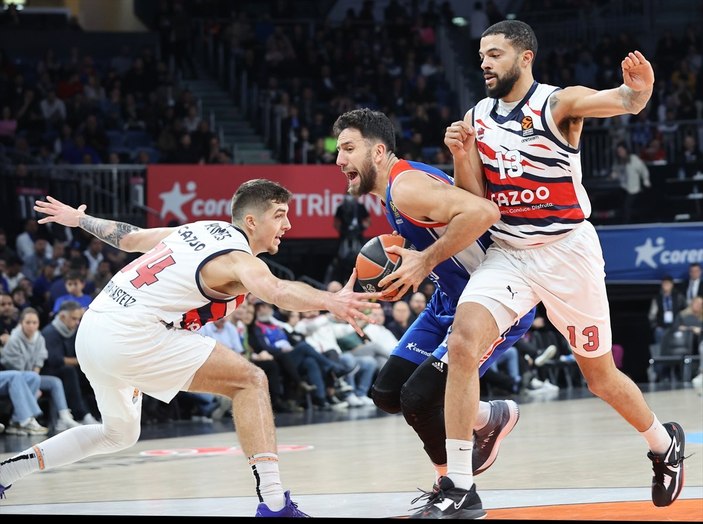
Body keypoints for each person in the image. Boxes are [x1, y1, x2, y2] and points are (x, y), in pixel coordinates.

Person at [0, 180, 382, 518]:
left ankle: (6, 472)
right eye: (280, 215)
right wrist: (333, 301)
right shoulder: (237, 257)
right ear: (252, 221)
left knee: (119, 435)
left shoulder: (197, 229)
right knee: (250, 380)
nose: (288, 225)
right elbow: (278, 291)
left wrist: (79, 219)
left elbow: (129, 239)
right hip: (132, 335)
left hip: (95, 325)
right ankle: (275, 505)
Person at [439, 19, 685, 517]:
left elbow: (621, 101)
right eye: (481, 55)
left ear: (524, 57)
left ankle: (663, 444)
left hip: (567, 252)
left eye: (495, 54)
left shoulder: (558, 103)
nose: (484, 63)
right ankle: (459, 486)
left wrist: (639, 92)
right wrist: (462, 154)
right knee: (462, 343)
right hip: (509, 251)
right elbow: (477, 200)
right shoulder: (476, 116)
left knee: (600, 378)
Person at [332, 107, 535, 518]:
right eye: (337, 150)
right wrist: (400, 276)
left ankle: (456, 489)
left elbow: (484, 213)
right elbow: (453, 233)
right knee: (388, 393)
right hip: (447, 301)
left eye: (349, 148)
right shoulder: (395, 190)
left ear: (378, 152)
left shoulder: (405, 186)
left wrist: (423, 262)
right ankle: (486, 416)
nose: (339, 160)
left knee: (419, 397)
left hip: (492, 303)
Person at [609, 140, 650, 223]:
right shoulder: (618, 162)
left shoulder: (633, 159)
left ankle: (628, 223)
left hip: (634, 188)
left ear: (626, 150)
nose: (620, 153)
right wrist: (612, 176)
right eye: (618, 151)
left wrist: (646, 180)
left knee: (627, 206)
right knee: (619, 204)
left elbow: (643, 170)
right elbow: (615, 172)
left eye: (621, 150)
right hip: (623, 187)